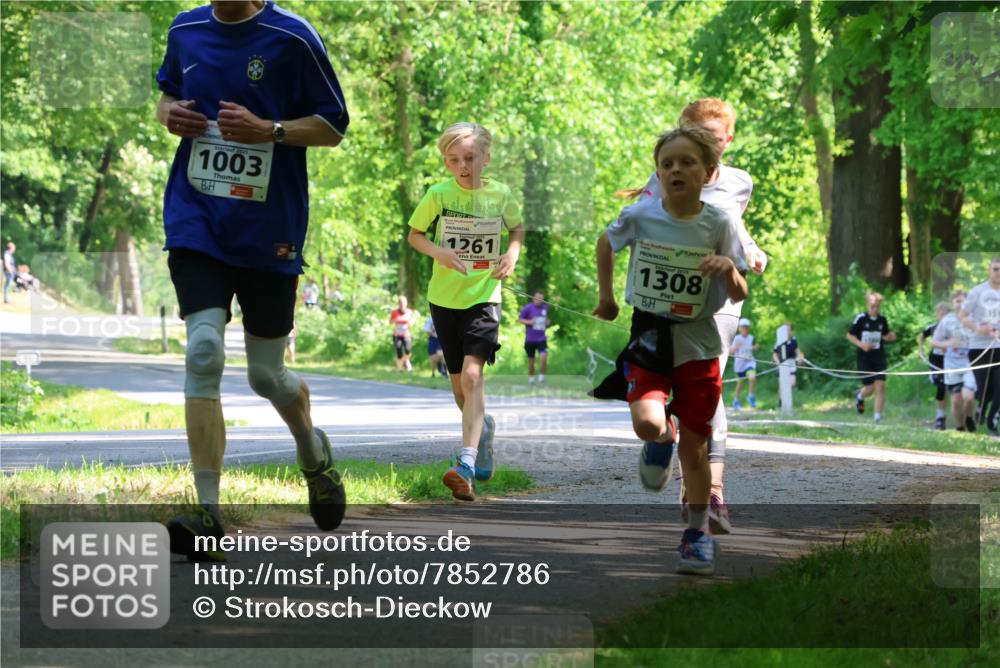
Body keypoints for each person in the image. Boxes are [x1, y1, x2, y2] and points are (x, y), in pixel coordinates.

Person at [155, 0, 349, 560]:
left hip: (270, 230)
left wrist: (273, 130)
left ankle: (312, 454)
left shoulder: (294, 37)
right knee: (204, 350)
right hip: (197, 223)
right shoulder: (186, 28)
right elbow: (167, 95)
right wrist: (170, 114)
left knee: (267, 377)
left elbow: (333, 125)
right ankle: (207, 511)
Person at [593, 126, 748, 575]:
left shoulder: (719, 222)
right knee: (647, 422)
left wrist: (726, 270)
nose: (676, 170)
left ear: (708, 172)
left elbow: (740, 291)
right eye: (667, 164)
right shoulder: (641, 215)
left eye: (687, 162)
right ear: (657, 173)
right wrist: (607, 297)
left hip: (699, 342)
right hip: (650, 333)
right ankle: (662, 438)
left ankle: (697, 533)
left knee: (696, 451)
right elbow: (607, 241)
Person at [623, 98, 765, 534]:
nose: (707, 145)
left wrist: (750, 249)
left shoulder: (740, 181)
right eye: (696, 135)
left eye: (713, 139)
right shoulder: (664, 175)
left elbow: (730, 221)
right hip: (663, 304)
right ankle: (663, 436)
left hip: (717, 300)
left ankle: (710, 493)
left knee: (708, 389)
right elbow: (644, 222)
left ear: (728, 140)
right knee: (664, 398)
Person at [407, 122, 523, 501]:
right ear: (446, 163)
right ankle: (483, 429)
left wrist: (511, 254)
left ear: (485, 159)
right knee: (461, 391)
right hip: (444, 299)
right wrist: (439, 252)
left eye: (470, 158)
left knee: (473, 377)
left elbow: (517, 229)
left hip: (484, 298)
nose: (464, 166)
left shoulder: (500, 195)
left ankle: (466, 465)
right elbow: (415, 235)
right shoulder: (438, 195)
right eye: (455, 160)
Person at [958, 257, 1000, 436]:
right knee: (986, 389)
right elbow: (963, 315)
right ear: (989, 270)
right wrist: (979, 328)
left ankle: (992, 421)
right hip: (979, 347)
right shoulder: (977, 292)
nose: (998, 273)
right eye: (996, 269)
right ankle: (981, 406)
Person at [847, 292, 897, 423]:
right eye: (872, 306)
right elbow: (850, 335)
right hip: (864, 357)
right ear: (868, 305)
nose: (875, 309)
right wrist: (862, 345)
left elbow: (885, 335)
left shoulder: (882, 320)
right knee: (869, 389)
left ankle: (877, 417)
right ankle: (860, 396)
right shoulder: (861, 318)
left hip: (879, 357)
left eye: (877, 306)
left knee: (880, 386)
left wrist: (891, 336)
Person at [934, 290, 978, 432]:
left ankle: (969, 418)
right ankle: (960, 428)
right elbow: (934, 343)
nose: (961, 304)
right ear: (952, 303)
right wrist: (947, 344)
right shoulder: (947, 321)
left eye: (964, 301)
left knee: (969, 397)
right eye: (957, 301)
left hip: (970, 363)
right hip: (952, 365)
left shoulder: (974, 319)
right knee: (956, 400)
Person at [918, 302, 951, 430]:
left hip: (949, 361)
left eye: (946, 314)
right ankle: (940, 417)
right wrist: (920, 351)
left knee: (946, 386)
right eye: (941, 313)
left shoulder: (953, 329)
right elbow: (921, 336)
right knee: (940, 384)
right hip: (935, 361)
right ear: (937, 315)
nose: (943, 316)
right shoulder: (932, 328)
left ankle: (942, 417)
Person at [518, 290, 550, 386]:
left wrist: (547, 322)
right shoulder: (528, 307)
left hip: (541, 338)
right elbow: (519, 319)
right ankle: (531, 380)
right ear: (533, 298)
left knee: (544, 356)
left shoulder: (545, 307)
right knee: (531, 361)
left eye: (541, 298)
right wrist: (530, 322)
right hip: (530, 339)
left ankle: (541, 379)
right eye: (537, 298)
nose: (539, 300)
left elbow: (546, 320)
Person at [730, 317, 759, 409]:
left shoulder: (752, 338)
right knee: (740, 383)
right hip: (739, 365)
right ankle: (736, 400)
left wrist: (756, 347)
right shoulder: (736, 338)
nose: (745, 329)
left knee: (752, 377)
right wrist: (736, 347)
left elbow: (755, 346)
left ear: (749, 328)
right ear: (739, 328)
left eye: (746, 327)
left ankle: (751, 396)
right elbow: (730, 351)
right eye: (743, 327)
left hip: (749, 362)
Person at [772, 321, 805, 401]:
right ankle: (781, 402)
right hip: (781, 364)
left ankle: (784, 398)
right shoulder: (779, 341)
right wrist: (778, 362)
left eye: (789, 330)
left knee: (792, 383)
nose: (788, 332)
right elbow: (774, 354)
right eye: (786, 330)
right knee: (782, 384)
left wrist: (800, 358)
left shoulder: (794, 340)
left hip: (791, 364)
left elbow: (798, 352)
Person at [390, 295, 415, 372]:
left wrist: (410, 322)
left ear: (406, 303)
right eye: (400, 303)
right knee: (399, 351)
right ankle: (400, 369)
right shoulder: (394, 312)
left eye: (404, 303)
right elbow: (390, 322)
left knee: (408, 351)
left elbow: (413, 320)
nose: (402, 304)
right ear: (398, 304)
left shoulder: (409, 312)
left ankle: (405, 361)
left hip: (406, 334)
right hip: (397, 334)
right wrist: (395, 321)